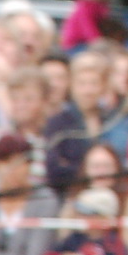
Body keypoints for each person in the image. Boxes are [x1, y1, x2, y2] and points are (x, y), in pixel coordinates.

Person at [43, 49, 113, 192]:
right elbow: (54, 167)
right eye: (82, 84)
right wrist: (89, 171)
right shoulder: (58, 123)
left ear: (103, 87)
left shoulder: (113, 119)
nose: (88, 91)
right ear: (72, 86)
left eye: (94, 84)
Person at [0, 66, 51, 184]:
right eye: (15, 99)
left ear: (44, 101)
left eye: (28, 99)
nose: (21, 105)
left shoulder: (52, 140)